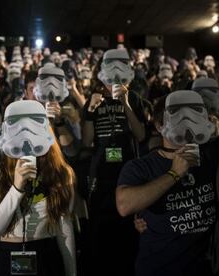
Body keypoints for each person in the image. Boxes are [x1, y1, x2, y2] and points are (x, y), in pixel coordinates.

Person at [116, 90, 219, 276]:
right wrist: (174, 174)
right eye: (178, 115)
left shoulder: (213, 158)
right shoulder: (142, 166)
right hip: (159, 268)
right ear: (160, 126)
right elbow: (124, 205)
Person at [0, 100, 77, 276]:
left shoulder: (62, 173)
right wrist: (17, 188)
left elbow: (65, 229)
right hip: (8, 256)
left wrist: (71, 272)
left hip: (47, 256)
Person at [81, 48, 145, 275]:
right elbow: (87, 141)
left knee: (128, 229)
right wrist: (89, 111)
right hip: (101, 174)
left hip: (128, 172)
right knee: (101, 230)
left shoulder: (134, 98)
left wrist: (126, 104)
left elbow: (140, 135)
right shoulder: (94, 100)